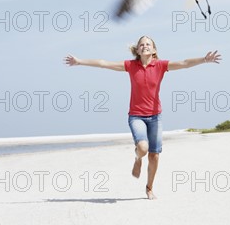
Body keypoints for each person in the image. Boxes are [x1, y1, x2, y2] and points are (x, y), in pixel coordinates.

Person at [64, 36, 221, 200]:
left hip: (155, 117)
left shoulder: (160, 65)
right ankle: (138, 158)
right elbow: (104, 63)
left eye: (148, 44)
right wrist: (79, 61)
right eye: (142, 44)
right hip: (136, 116)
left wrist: (204, 59)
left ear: (154, 50)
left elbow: (184, 63)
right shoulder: (131, 66)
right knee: (143, 148)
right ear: (137, 50)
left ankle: (149, 188)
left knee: (154, 155)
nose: (145, 46)